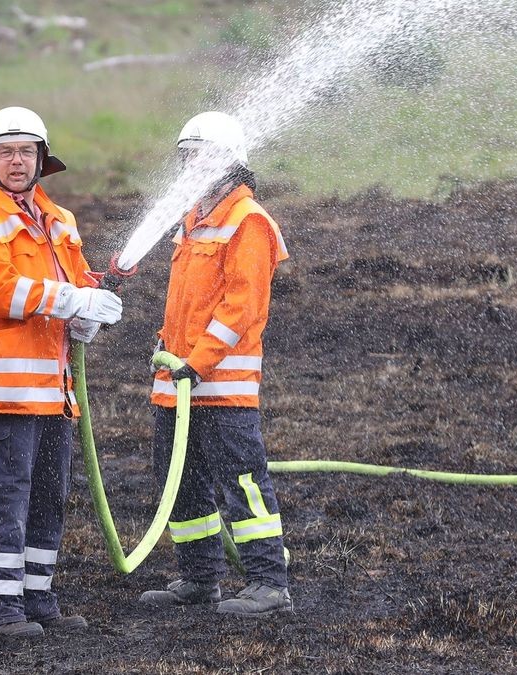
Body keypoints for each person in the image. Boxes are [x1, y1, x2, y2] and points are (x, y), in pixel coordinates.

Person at [0, 106, 123, 637]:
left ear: (42, 159)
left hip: (56, 397)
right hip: (3, 397)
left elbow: (75, 282)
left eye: (26, 151)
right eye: (6, 152)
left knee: (47, 500)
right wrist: (70, 299)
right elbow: (1, 293)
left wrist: (90, 309)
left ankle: (38, 599)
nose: (16, 161)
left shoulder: (60, 221)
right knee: (4, 500)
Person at [139, 111, 294, 617]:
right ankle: (200, 579)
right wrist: (168, 350)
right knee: (180, 483)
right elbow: (187, 302)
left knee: (242, 481)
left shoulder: (247, 221)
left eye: (202, 156)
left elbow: (241, 308)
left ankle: (269, 584)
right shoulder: (192, 220)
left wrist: (198, 363)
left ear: (231, 163)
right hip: (177, 382)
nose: (192, 165)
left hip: (220, 386)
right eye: (186, 157)